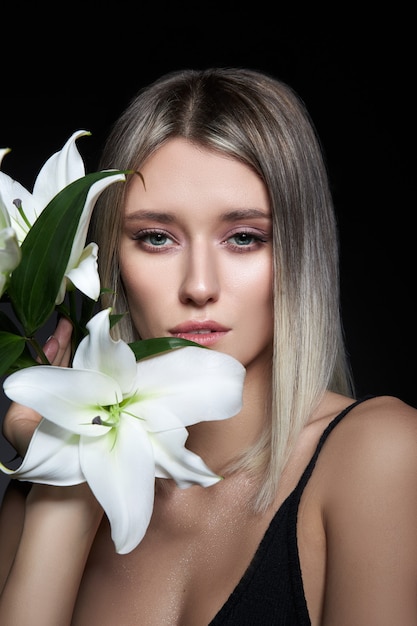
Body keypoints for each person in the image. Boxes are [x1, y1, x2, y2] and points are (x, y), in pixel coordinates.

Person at [0, 67, 417, 626]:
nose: (199, 286)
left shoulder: (382, 455)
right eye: (156, 238)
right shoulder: (43, 489)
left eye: (244, 238)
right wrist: (66, 495)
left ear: (299, 251)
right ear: (109, 259)